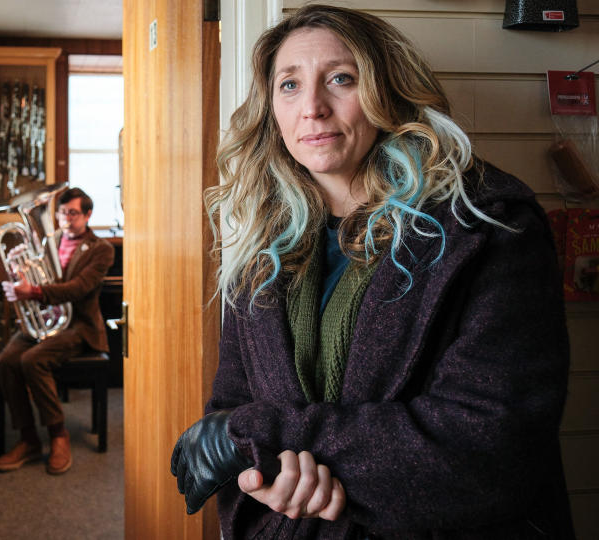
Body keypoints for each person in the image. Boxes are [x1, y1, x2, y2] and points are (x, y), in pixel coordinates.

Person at [170, 5, 573, 539]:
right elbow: (232, 407)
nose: (311, 107)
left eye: (341, 79)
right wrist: (264, 479)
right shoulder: (261, 247)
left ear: (389, 92)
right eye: (289, 85)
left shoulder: (486, 228)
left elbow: (491, 446)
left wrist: (264, 439)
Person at [0, 187, 114, 475]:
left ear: (87, 215)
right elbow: (41, 277)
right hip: (47, 321)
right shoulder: (49, 241)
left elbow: (78, 288)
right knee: (6, 362)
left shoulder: (101, 249)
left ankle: (58, 435)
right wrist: (19, 277)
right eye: (61, 212)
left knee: (32, 360)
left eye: (72, 213)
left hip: (79, 326)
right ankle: (28, 438)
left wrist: (32, 291)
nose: (65, 218)